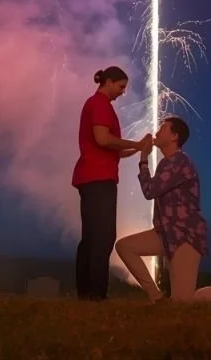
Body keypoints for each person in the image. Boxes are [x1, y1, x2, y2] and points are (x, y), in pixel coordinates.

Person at [115, 116, 211, 302]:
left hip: (184, 236)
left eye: (163, 128)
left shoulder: (179, 162)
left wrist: (143, 158)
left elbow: (150, 191)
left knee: (184, 300)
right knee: (125, 247)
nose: (157, 131)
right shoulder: (166, 163)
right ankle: (156, 297)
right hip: (166, 233)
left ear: (174, 137)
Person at [73, 66, 151, 300]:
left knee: (91, 236)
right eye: (120, 87)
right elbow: (103, 139)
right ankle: (96, 293)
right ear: (108, 82)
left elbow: (111, 150)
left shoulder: (96, 104)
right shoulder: (99, 105)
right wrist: (137, 145)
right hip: (98, 178)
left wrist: (137, 149)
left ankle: (85, 291)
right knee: (103, 236)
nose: (122, 92)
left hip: (91, 176)